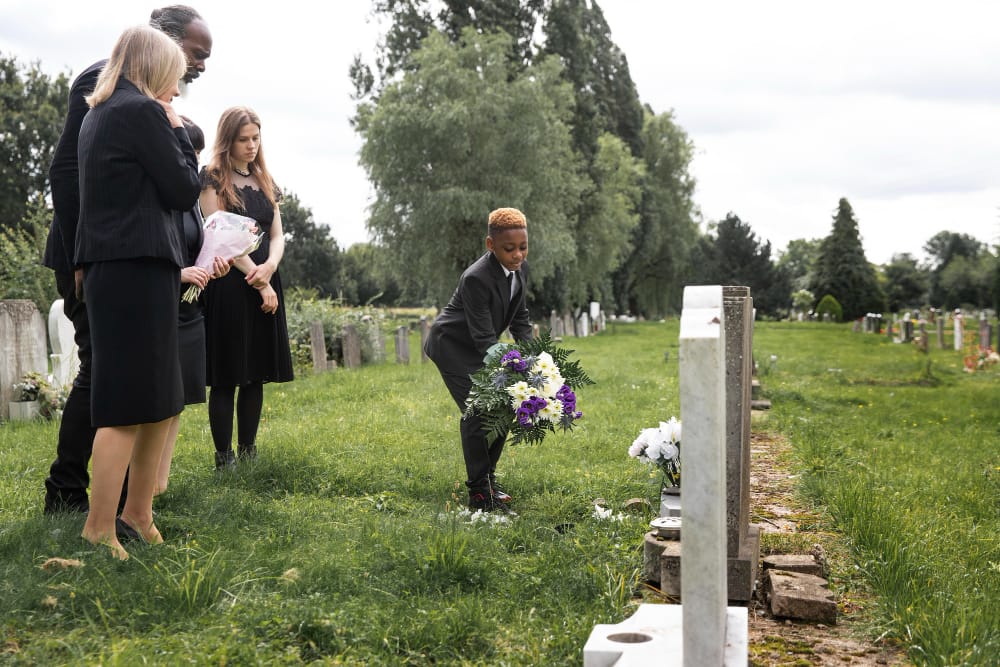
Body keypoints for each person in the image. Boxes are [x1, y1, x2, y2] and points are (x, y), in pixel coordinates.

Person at [41, 5, 212, 523]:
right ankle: (69, 491)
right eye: (195, 55)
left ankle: (120, 502)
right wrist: (78, 255)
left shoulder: (144, 94)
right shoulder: (110, 81)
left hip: (117, 250)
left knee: (126, 380)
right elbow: (66, 169)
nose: (197, 69)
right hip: (99, 250)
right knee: (105, 376)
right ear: (159, 43)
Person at [76, 25, 202, 559]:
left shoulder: (99, 113)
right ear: (153, 66)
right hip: (134, 267)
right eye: (174, 76)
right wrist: (177, 130)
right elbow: (182, 188)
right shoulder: (142, 111)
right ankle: (99, 527)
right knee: (128, 402)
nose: (176, 89)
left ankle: (138, 514)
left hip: (126, 267)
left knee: (158, 397)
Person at [199, 106, 294, 470]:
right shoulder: (211, 179)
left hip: (265, 278)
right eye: (243, 139)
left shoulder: (266, 180)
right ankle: (224, 458)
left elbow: (278, 234)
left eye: (255, 138)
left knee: (256, 371)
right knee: (227, 373)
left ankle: (249, 452)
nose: (251, 145)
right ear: (227, 140)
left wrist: (270, 267)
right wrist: (258, 276)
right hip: (229, 282)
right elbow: (217, 230)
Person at [423, 207, 532, 512]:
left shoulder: (522, 270)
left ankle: (488, 480)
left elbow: (520, 320)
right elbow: (485, 338)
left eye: (523, 247)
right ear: (490, 245)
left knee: (508, 403)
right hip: (453, 346)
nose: (517, 255)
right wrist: (516, 367)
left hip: (480, 345)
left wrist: (537, 362)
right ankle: (479, 494)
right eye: (509, 249)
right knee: (479, 408)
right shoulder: (476, 278)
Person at [155, 117, 230, 495]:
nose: (194, 161)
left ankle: (160, 485)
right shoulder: (162, 195)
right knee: (159, 403)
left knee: (178, 403)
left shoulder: (190, 201)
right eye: (190, 151)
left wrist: (208, 267)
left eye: (197, 153)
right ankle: (143, 488)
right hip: (163, 303)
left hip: (189, 308)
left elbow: (194, 246)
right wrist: (180, 273)